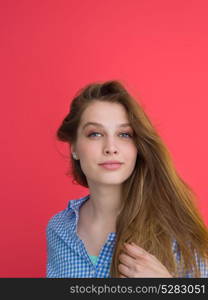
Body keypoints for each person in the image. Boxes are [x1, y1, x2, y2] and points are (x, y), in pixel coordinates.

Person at [46, 80, 208, 278]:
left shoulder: (174, 230)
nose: (111, 147)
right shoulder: (58, 229)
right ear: (74, 148)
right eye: (95, 134)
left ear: (137, 146)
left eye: (124, 134)